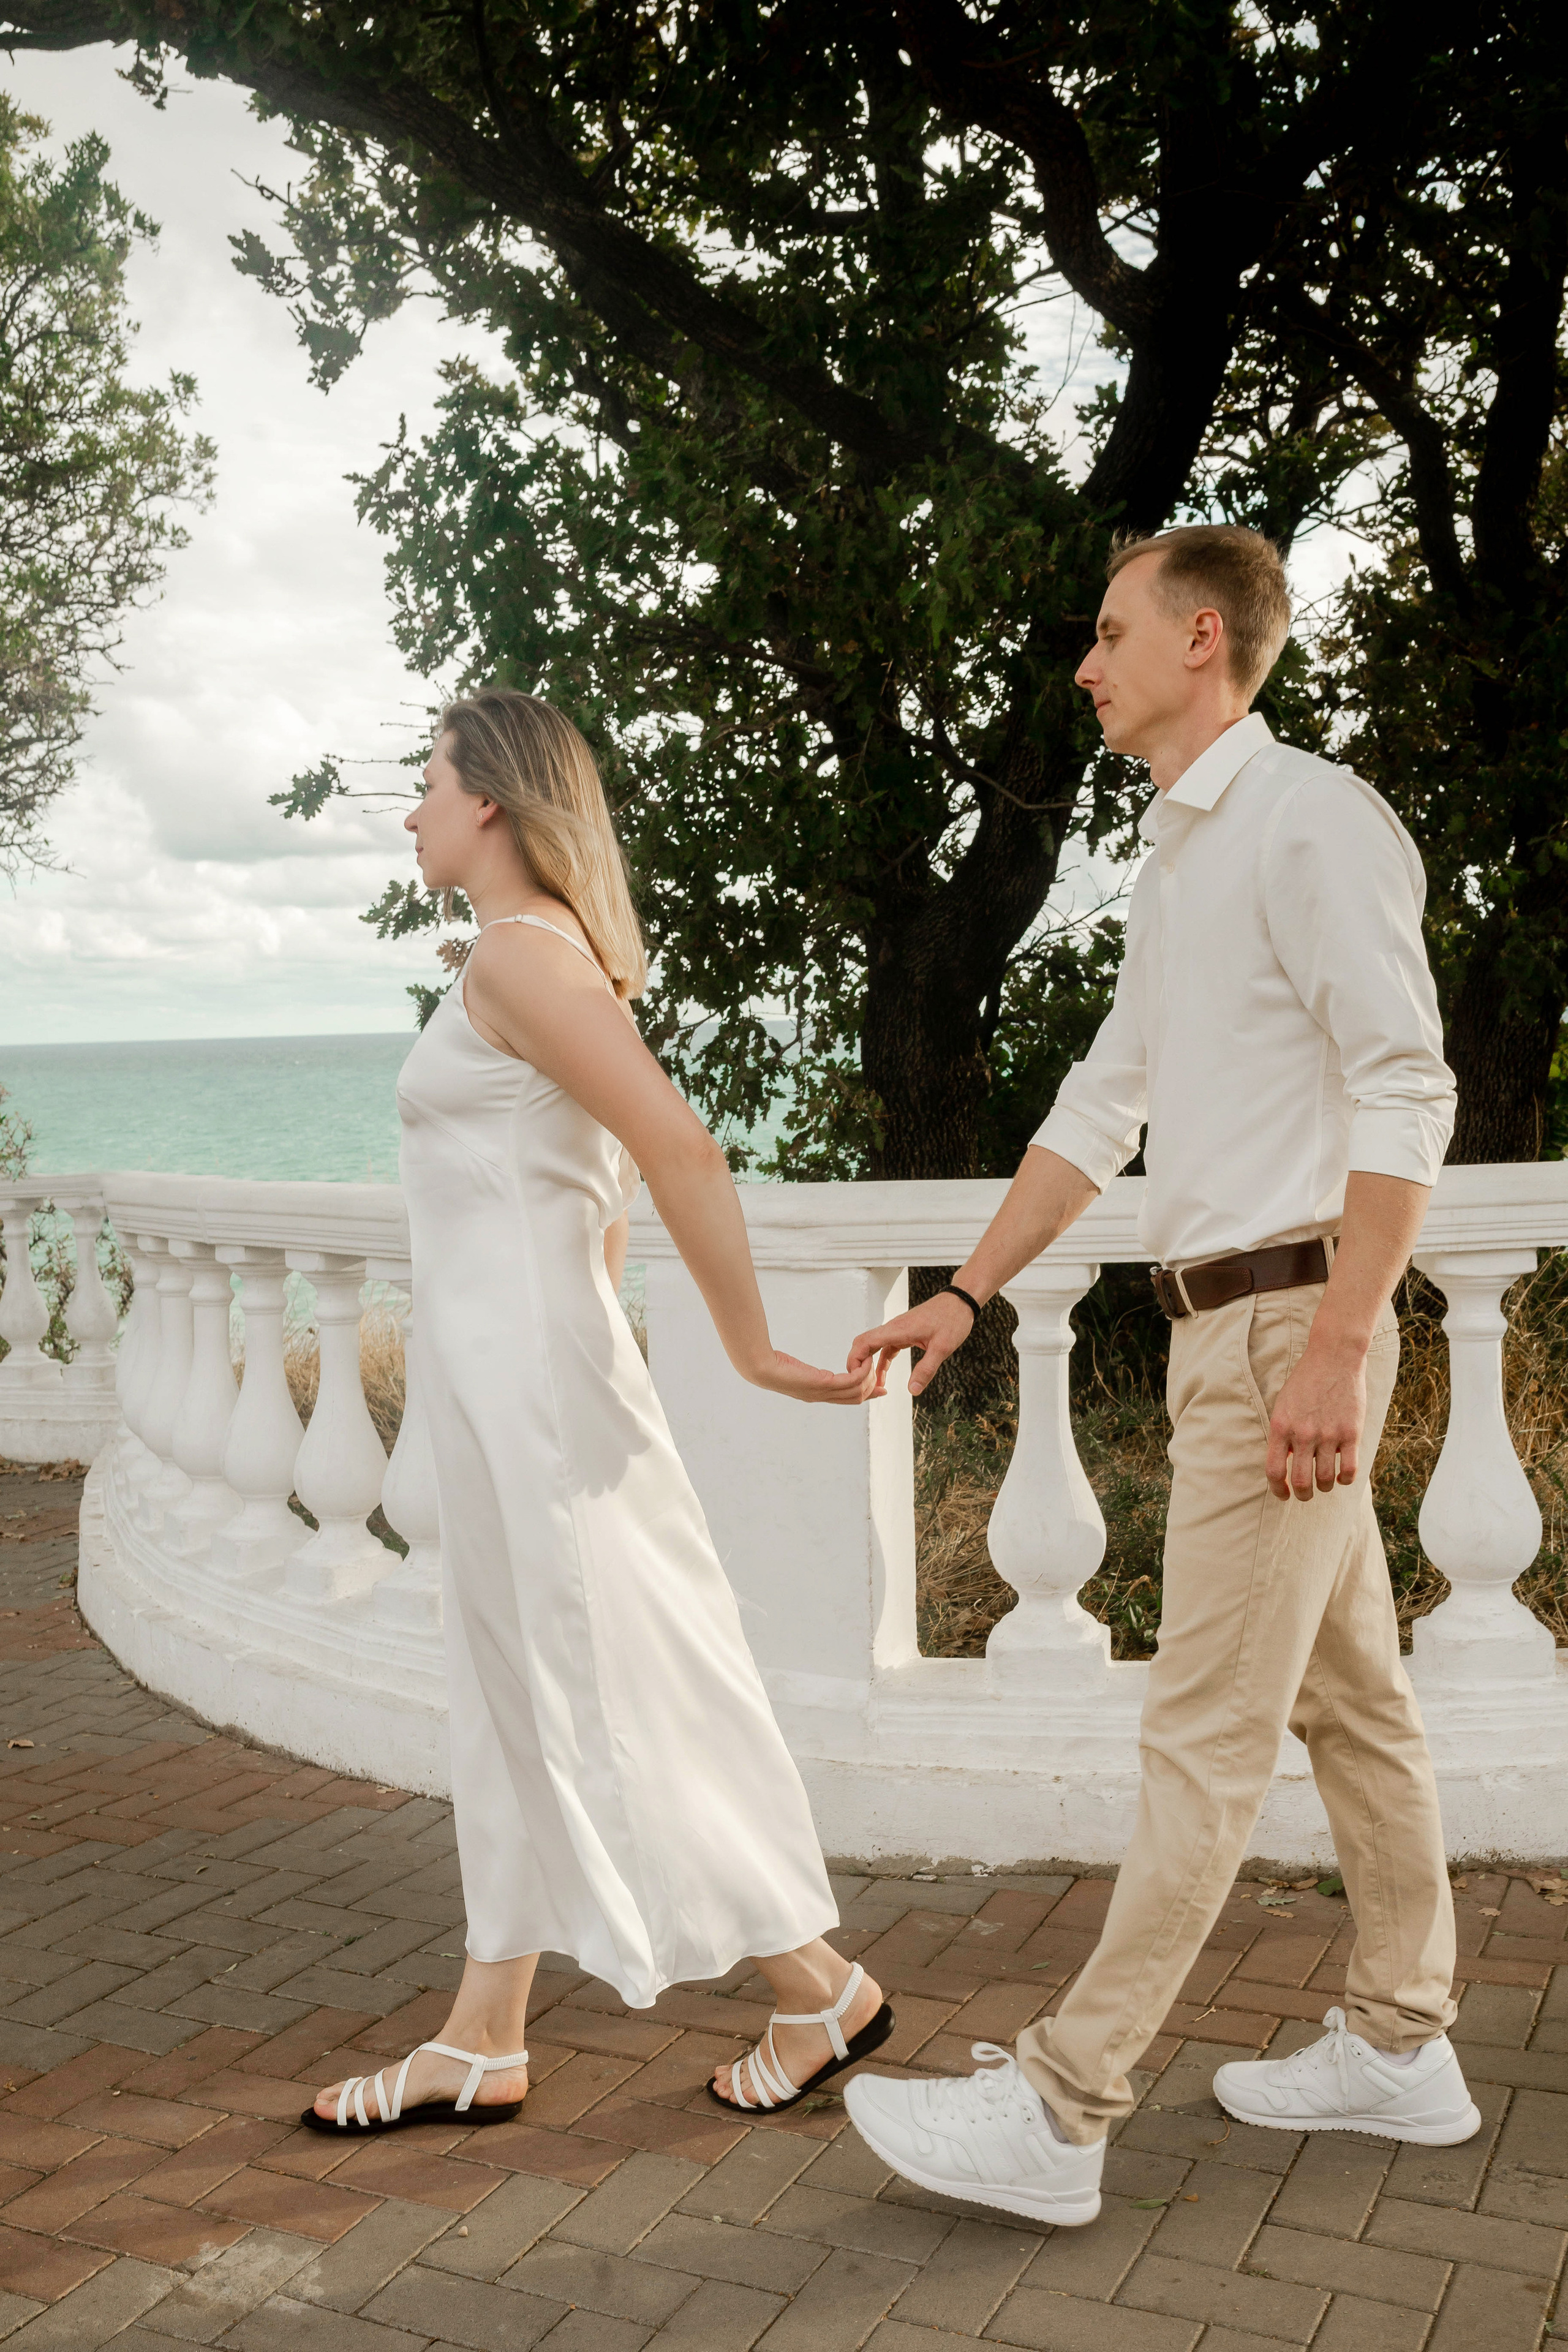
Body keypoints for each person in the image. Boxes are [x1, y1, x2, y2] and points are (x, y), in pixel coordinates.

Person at [840, 526, 1479, 2226]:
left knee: (1201, 1737)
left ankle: (1063, 2108)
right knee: (1354, 1707)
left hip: (1289, 1326)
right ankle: (1404, 2041)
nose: (1085, 664)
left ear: (1206, 641)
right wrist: (968, 1294)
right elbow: (1099, 1105)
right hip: (1230, 1327)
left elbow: (1408, 1092)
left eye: (1110, 634)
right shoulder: (1183, 855)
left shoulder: (1309, 823)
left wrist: (1340, 1345)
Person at [305, 688, 891, 2136]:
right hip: (521, 1382)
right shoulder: (539, 960)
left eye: (427, 785)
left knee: (613, 1690)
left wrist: (746, 1349)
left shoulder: (514, 960)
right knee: (519, 1699)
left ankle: (817, 1985)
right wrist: (589, 1316)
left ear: (490, 802)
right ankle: (481, 2035)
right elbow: (601, 1188)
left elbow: (677, 1148)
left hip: (535, 1397)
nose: (411, 812)